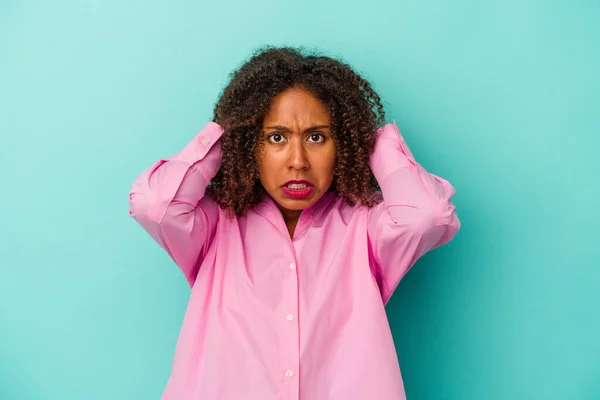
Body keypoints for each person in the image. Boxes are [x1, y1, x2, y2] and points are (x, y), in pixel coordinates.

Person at [129, 46, 460, 400]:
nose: (298, 161)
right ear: (249, 144)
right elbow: (155, 206)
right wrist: (225, 137)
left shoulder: (366, 226)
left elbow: (426, 216)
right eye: (276, 138)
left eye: (317, 137)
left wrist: (377, 143)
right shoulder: (214, 224)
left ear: (343, 144)